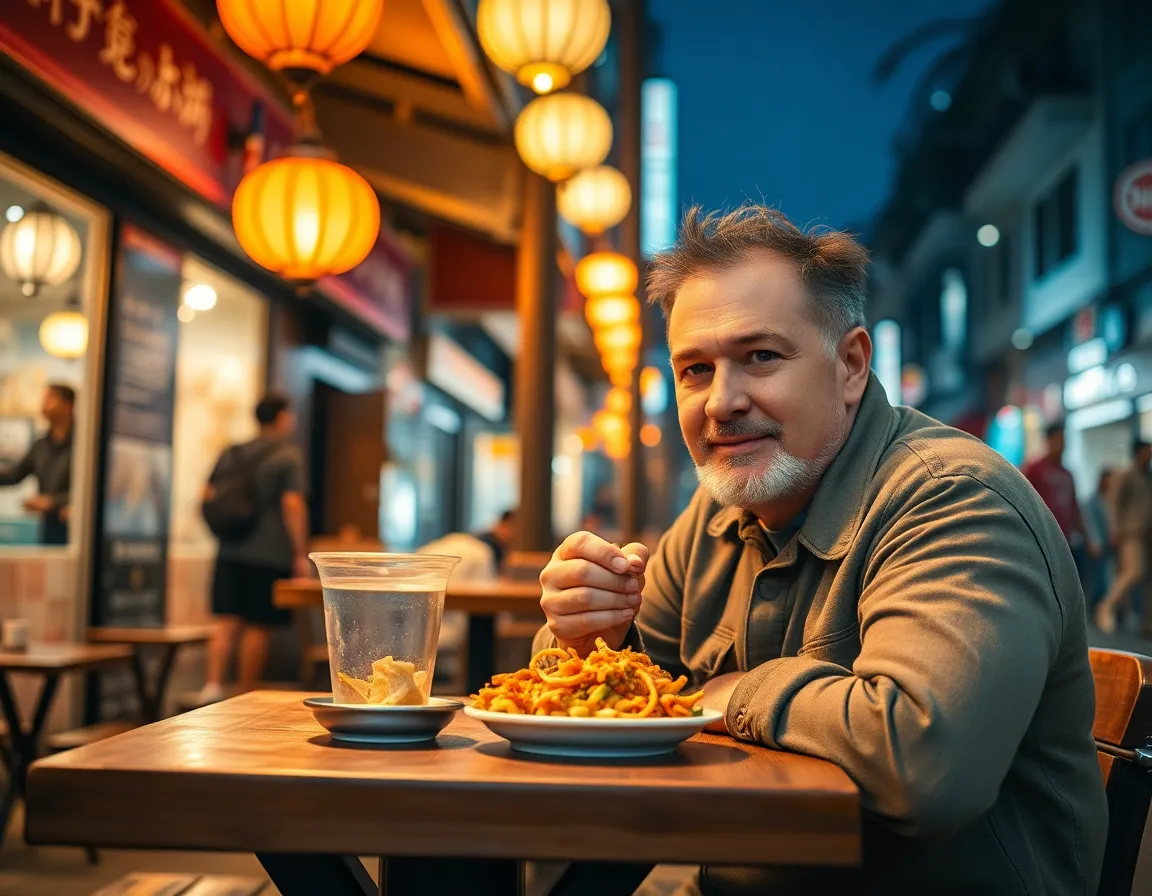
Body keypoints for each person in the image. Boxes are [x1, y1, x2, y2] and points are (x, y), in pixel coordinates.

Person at [535, 204, 1106, 895]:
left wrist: (736, 693)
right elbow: (619, 710)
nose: (721, 402)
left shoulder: (950, 500)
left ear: (852, 366)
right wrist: (583, 639)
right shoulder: (717, 510)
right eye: (694, 370)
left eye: (761, 357)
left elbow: (924, 767)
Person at [198, 393, 309, 703]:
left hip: (230, 548)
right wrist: (300, 552)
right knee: (259, 625)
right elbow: (293, 504)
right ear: (282, 418)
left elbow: (207, 493)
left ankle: (213, 685)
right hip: (269, 553)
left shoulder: (232, 451)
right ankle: (245, 692)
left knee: (226, 619)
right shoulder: (288, 456)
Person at [0, 383, 74, 545]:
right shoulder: (41, 445)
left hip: (77, 530)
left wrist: (53, 501)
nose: (43, 404)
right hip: (50, 528)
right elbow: (14, 475)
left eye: (50, 398)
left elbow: (93, 491)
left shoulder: (85, 445)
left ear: (67, 405)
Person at [1095, 440, 1152, 637]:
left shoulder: (1147, 476)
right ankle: (1106, 605)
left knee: (1146, 580)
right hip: (1131, 534)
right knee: (1133, 572)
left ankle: (1148, 624)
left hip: (1146, 535)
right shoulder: (1127, 475)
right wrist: (1116, 530)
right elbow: (1115, 502)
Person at [1083, 467, 1115, 611]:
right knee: (1097, 580)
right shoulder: (1093, 500)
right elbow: (1089, 522)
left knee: (1108, 579)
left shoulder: (1112, 499)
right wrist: (1094, 541)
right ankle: (1094, 609)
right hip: (1098, 546)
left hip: (1110, 547)